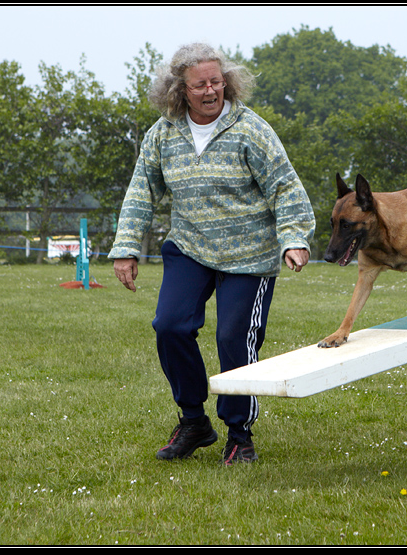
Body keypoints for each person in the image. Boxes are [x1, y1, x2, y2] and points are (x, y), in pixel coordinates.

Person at [108, 42, 315, 465]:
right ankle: (193, 422)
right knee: (170, 326)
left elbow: (285, 187)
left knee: (233, 338)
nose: (209, 91)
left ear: (228, 83)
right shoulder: (163, 133)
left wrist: (294, 237)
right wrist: (126, 248)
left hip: (249, 255)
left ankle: (240, 435)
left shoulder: (251, 129)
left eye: (216, 82)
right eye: (199, 84)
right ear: (180, 90)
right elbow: (141, 192)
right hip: (189, 247)